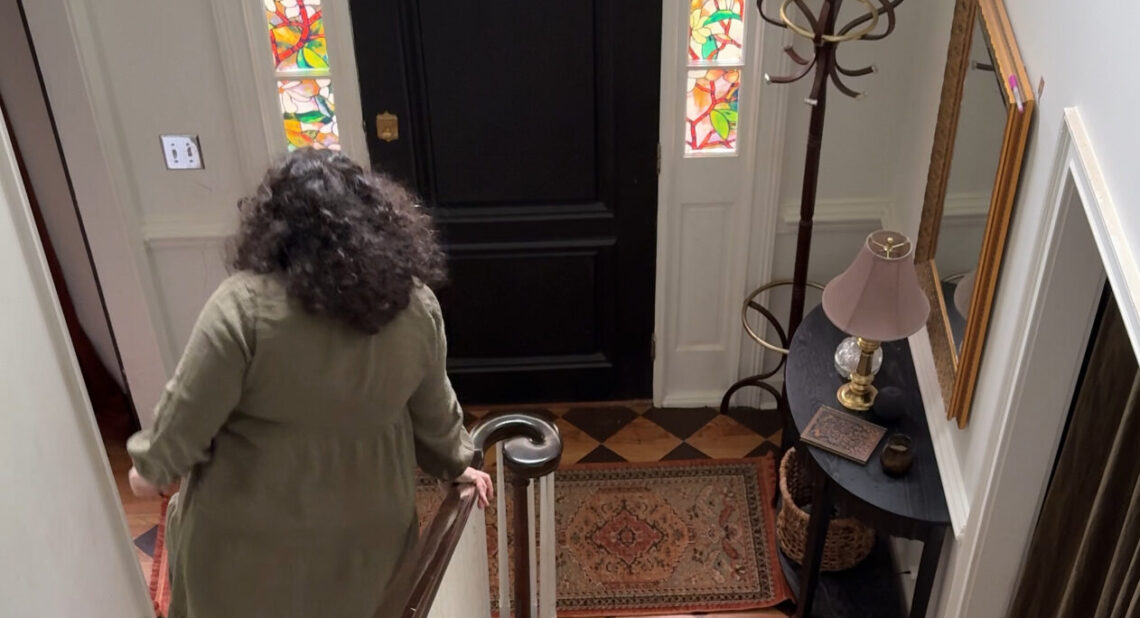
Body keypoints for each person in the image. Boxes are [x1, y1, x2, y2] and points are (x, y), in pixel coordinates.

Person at [127, 148, 492, 618]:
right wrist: (458, 464)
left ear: (272, 229)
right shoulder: (416, 307)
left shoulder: (241, 309)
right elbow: (436, 418)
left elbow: (174, 441)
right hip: (369, 549)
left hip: (247, 558)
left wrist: (145, 473)